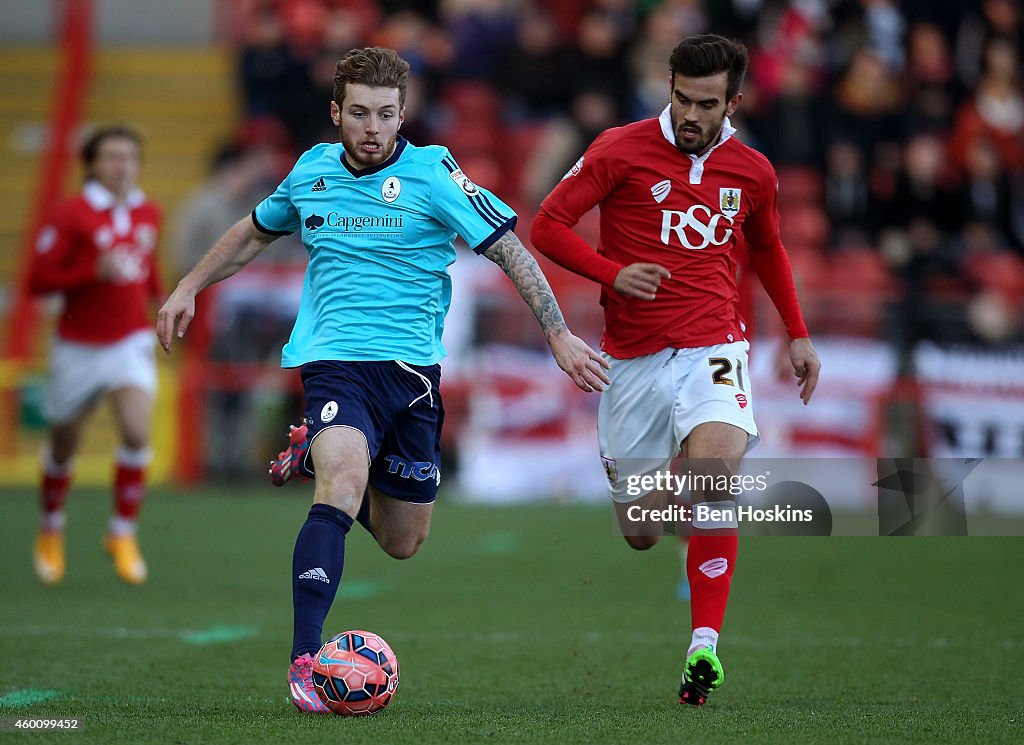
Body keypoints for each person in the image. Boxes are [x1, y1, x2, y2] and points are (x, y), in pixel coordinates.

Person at [157, 47, 609, 714]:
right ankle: (305, 662)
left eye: (387, 114)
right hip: (334, 360)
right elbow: (254, 232)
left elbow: (509, 246)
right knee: (342, 480)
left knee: (404, 541)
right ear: (337, 112)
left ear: (405, 114)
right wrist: (189, 285)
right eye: (361, 113)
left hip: (412, 378)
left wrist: (558, 333)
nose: (373, 127)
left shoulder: (432, 173)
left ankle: (316, 455)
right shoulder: (311, 171)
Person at [530, 34, 821, 706]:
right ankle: (649, 492)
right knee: (640, 530)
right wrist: (611, 273)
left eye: (707, 103)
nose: (691, 114)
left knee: (716, 476)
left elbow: (770, 250)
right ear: (669, 87)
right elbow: (547, 226)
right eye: (682, 98)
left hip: (715, 344)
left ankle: (704, 646)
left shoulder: (753, 172)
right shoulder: (618, 149)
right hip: (631, 360)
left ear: (733, 102)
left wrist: (798, 334)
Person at [29, 125, 164, 586]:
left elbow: (148, 276)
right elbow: (37, 280)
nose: (121, 165)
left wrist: (164, 306)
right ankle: (51, 527)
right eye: (111, 157)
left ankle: (122, 532)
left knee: (136, 429)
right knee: (64, 442)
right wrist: (92, 271)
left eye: (129, 156)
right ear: (92, 163)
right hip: (77, 345)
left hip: (129, 340)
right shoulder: (71, 214)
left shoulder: (148, 212)